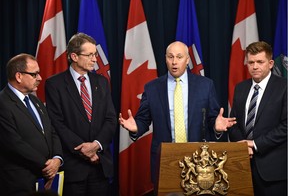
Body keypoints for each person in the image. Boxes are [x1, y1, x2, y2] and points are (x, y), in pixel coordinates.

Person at [119, 41, 236, 187]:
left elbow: (213, 119)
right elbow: (143, 120)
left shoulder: (205, 85)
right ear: (165, 59)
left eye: (179, 57)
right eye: (170, 57)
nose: (174, 62)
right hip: (165, 160)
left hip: (199, 162)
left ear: (187, 60)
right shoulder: (152, 88)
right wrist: (136, 127)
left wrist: (216, 128)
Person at [45, 32, 117, 196]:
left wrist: (96, 145)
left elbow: (110, 119)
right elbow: (56, 123)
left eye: (95, 54)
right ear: (74, 56)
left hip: (100, 165)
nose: (94, 59)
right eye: (90, 55)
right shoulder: (54, 84)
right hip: (73, 168)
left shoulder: (102, 82)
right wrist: (84, 150)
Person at [228, 41, 287, 196]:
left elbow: (286, 126)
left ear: (271, 63)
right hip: (241, 167)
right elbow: (233, 123)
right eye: (251, 62)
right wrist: (243, 146)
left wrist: (254, 144)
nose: (255, 67)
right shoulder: (240, 88)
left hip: (272, 171)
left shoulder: (284, 87)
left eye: (260, 62)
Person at [0, 53, 63, 196]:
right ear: (18, 76)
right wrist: (47, 167)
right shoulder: (2, 103)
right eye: (34, 75)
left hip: (45, 179)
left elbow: (51, 132)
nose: (40, 78)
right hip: (19, 183)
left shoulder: (36, 101)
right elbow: (14, 144)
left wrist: (57, 159)